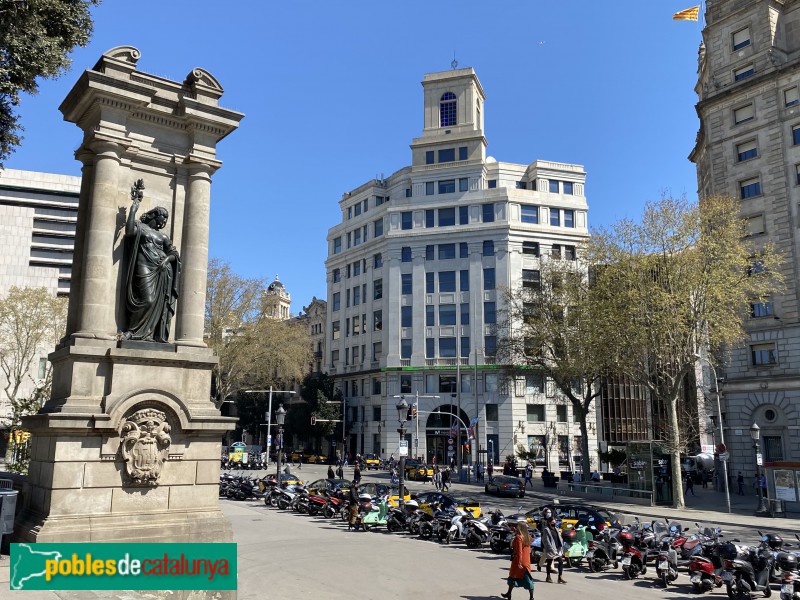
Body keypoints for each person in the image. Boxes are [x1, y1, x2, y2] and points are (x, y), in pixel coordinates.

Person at [122, 180, 181, 343]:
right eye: (163, 217)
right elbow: (129, 231)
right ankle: (133, 332)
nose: (164, 221)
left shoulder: (163, 236)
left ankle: (148, 334)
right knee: (147, 300)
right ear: (154, 215)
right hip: (144, 267)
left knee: (156, 302)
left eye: (166, 219)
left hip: (161, 271)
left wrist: (166, 260)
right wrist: (133, 209)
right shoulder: (141, 228)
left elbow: (174, 254)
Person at [501, 521, 535, 600]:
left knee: (513, 577)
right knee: (528, 579)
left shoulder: (519, 537)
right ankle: (531, 597)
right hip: (526, 561)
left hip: (518, 560)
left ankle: (509, 594)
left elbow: (519, 551)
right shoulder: (528, 537)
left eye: (517, 527)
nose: (516, 528)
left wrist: (519, 562)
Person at [541, 517, 566, 584]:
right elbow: (546, 541)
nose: (554, 523)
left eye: (555, 522)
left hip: (557, 548)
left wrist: (561, 545)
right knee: (549, 562)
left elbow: (559, 537)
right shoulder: (546, 530)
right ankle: (548, 577)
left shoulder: (556, 529)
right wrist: (550, 549)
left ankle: (560, 577)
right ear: (549, 523)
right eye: (552, 522)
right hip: (550, 549)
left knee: (561, 561)